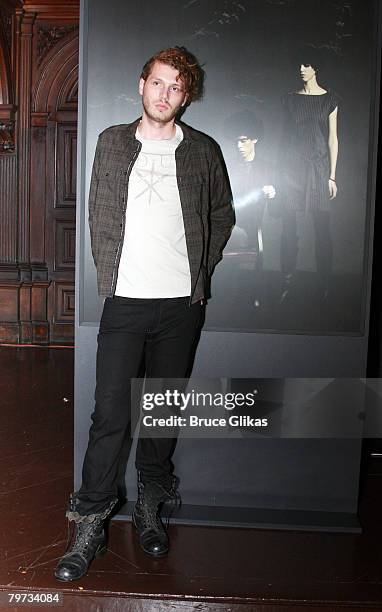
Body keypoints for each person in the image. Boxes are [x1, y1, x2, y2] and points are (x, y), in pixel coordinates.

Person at [54, 46, 234, 582]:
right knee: (110, 415)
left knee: (159, 413)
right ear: (141, 84)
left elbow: (222, 213)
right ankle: (89, 520)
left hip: (181, 306)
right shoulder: (111, 142)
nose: (165, 94)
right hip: (125, 304)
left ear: (186, 95)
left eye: (176, 87)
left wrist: (200, 267)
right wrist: (113, 273)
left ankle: (151, 508)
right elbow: (96, 211)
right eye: (158, 83)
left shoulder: (203, 150)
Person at [279, 46, 339, 303]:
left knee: (322, 230)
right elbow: (282, 139)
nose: (301, 69)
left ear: (316, 68)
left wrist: (332, 176)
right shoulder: (289, 99)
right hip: (291, 171)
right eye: (299, 65)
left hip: (318, 169)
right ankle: (287, 282)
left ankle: (324, 284)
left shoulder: (330, 99)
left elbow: (333, 139)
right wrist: (278, 174)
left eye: (306, 65)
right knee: (289, 229)